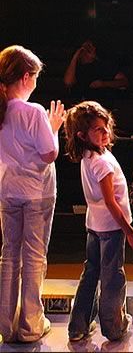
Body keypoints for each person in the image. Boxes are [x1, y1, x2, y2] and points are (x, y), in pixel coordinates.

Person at [63, 101, 133, 342]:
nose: (105, 131)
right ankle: (113, 327)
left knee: (91, 273)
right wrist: (130, 231)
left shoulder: (90, 156)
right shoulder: (102, 162)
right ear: (82, 135)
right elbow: (111, 202)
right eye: (98, 129)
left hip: (95, 225)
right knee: (112, 277)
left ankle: (78, 326)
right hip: (110, 228)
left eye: (105, 126)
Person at [0, 45, 65, 343]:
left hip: (7, 191)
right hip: (36, 193)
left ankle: (5, 325)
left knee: (9, 256)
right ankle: (29, 325)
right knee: (35, 257)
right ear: (27, 77)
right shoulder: (33, 111)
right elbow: (49, 153)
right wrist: (53, 128)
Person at [63, 39, 129, 102]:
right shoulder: (74, 66)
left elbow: (124, 82)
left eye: (90, 47)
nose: (88, 49)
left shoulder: (104, 65)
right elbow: (68, 82)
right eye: (85, 47)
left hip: (101, 103)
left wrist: (103, 84)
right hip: (79, 104)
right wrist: (76, 55)